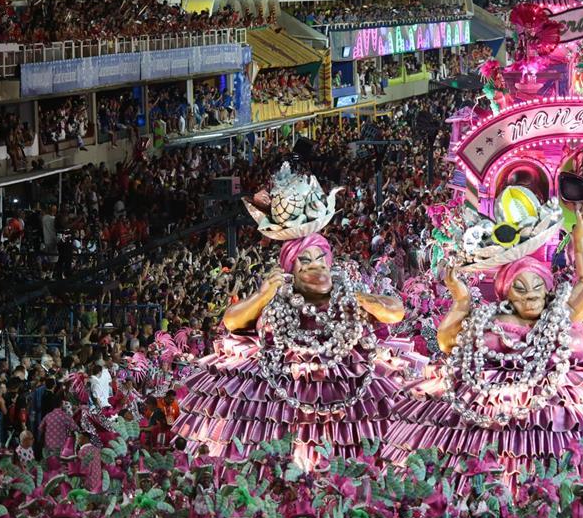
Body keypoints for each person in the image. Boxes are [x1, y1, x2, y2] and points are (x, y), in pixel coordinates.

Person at [381, 203, 583, 491]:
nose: (531, 296)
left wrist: (581, 239)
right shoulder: (491, 319)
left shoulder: (559, 313)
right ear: (506, 294)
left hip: (561, 410)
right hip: (489, 415)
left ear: (549, 289)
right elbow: (447, 341)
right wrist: (460, 298)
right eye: (520, 290)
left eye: (538, 287)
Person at [172, 164, 420, 472]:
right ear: (291, 268)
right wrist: (263, 296)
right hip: (282, 394)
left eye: (320, 258)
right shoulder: (278, 298)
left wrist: (358, 299)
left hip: (348, 389)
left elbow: (395, 311)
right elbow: (232, 322)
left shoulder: (350, 296)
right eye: (305, 260)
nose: (316, 266)